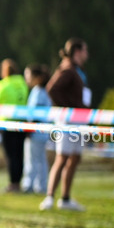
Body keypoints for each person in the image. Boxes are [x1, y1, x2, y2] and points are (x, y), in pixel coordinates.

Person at [42, 38, 89, 211]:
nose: (87, 54)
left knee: (75, 158)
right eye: (85, 50)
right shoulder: (67, 69)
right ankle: (49, 198)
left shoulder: (76, 69)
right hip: (68, 120)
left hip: (79, 119)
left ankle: (65, 198)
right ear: (77, 51)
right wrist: (67, 108)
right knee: (62, 158)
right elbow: (51, 89)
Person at [0, 59, 29, 193]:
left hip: (7, 124)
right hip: (22, 123)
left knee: (11, 156)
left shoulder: (2, 85)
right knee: (19, 155)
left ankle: (13, 184)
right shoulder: (23, 84)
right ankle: (18, 183)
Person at [22, 65, 51, 194]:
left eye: (28, 76)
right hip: (40, 132)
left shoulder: (39, 92)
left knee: (34, 160)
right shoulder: (40, 91)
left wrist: (29, 129)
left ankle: (32, 185)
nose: (26, 79)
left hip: (36, 132)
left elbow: (36, 115)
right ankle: (40, 185)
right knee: (39, 159)